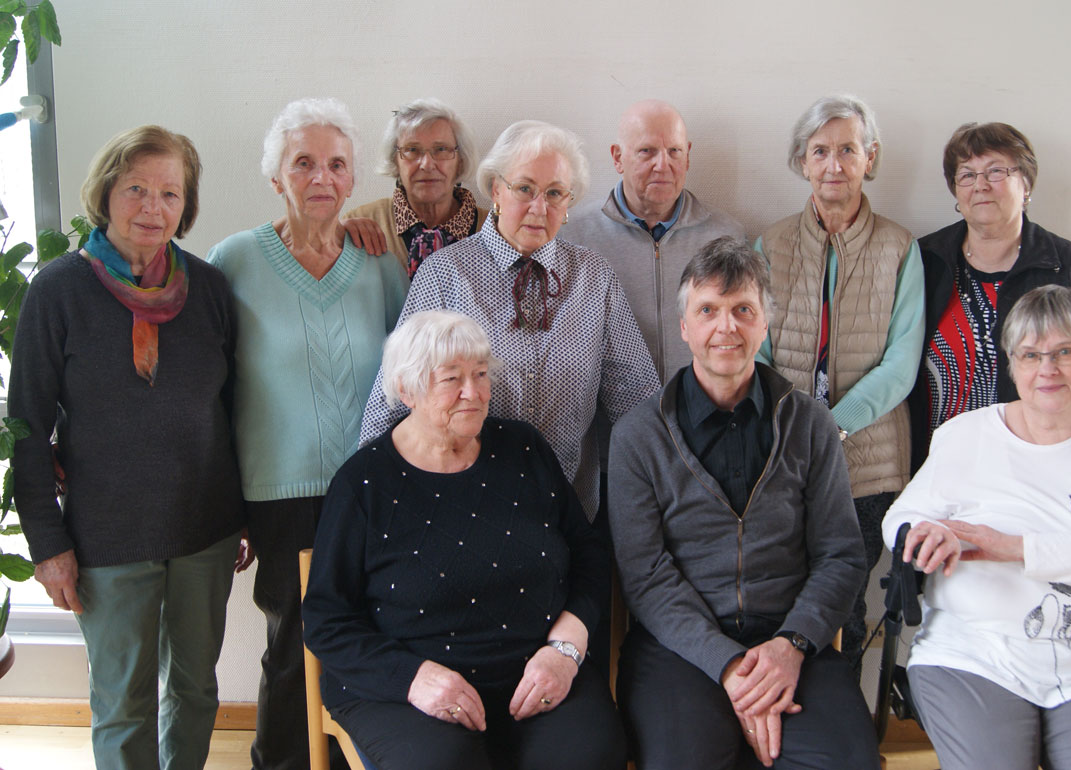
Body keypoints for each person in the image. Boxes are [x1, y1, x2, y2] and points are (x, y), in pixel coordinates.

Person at [11, 125, 248, 769]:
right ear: (105, 193)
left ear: (187, 205)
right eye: (136, 189)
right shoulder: (57, 291)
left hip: (205, 528)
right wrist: (48, 544)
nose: (153, 207)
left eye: (171, 193)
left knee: (196, 690)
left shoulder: (209, 289)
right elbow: (26, 424)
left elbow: (232, 410)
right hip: (106, 535)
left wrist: (241, 513)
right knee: (123, 702)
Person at [302, 311, 627, 770]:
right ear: (407, 390)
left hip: (538, 670)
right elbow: (325, 620)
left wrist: (566, 650)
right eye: (451, 379)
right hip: (410, 687)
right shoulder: (364, 484)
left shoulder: (524, 450)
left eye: (480, 375)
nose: (473, 393)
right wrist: (413, 679)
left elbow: (588, 552)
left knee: (588, 755)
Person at [610, 236, 879, 770]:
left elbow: (841, 555)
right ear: (685, 326)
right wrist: (731, 667)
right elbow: (645, 576)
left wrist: (791, 647)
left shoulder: (810, 423)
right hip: (679, 649)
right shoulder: (638, 435)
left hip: (794, 639)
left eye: (742, 310)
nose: (725, 327)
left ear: (765, 324)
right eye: (707, 310)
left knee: (848, 762)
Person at [207, 98, 409, 770]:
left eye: (336, 164)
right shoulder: (233, 261)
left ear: (353, 180)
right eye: (303, 163)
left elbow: (403, 375)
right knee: (296, 640)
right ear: (275, 177)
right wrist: (224, 503)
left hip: (374, 484)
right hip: (279, 490)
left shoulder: (378, 259)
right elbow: (211, 391)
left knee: (379, 629)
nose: (321, 177)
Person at [883, 285, 1071, 770]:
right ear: (1012, 363)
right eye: (1030, 354)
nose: (1047, 368)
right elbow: (900, 519)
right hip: (974, 653)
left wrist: (1014, 548)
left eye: (1065, 351)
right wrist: (925, 532)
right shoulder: (966, 435)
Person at [359, 119, 660, 524]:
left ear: (569, 204)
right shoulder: (446, 274)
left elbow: (636, 396)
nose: (540, 207)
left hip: (566, 512)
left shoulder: (594, 277)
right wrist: (366, 501)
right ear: (496, 189)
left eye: (555, 193)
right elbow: (394, 397)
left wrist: (669, 489)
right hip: (460, 513)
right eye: (524, 189)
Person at [756, 95, 925, 670]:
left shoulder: (900, 247)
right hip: (784, 453)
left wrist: (835, 425)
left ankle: (842, 721)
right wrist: (798, 426)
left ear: (869, 158)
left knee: (848, 600)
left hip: (870, 460)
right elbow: (758, 353)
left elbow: (902, 362)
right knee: (783, 593)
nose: (834, 164)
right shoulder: (770, 244)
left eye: (847, 150)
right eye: (820, 151)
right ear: (802, 162)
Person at [910, 121, 1071, 471]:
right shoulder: (925, 261)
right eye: (967, 175)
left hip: (1040, 467)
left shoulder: (1066, 266)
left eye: (996, 171)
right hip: (941, 465)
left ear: (1027, 184)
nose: (981, 185)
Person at [563, 98, 745, 382]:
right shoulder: (574, 236)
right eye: (647, 152)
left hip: (699, 416)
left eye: (674, 151)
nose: (663, 165)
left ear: (688, 156)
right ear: (617, 157)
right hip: (610, 421)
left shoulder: (726, 237)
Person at [342, 98, 487, 277]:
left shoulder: (495, 230)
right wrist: (334, 234)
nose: (427, 164)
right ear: (395, 160)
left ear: (461, 160)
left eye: (441, 149)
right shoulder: (361, 225)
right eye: (412, 150)